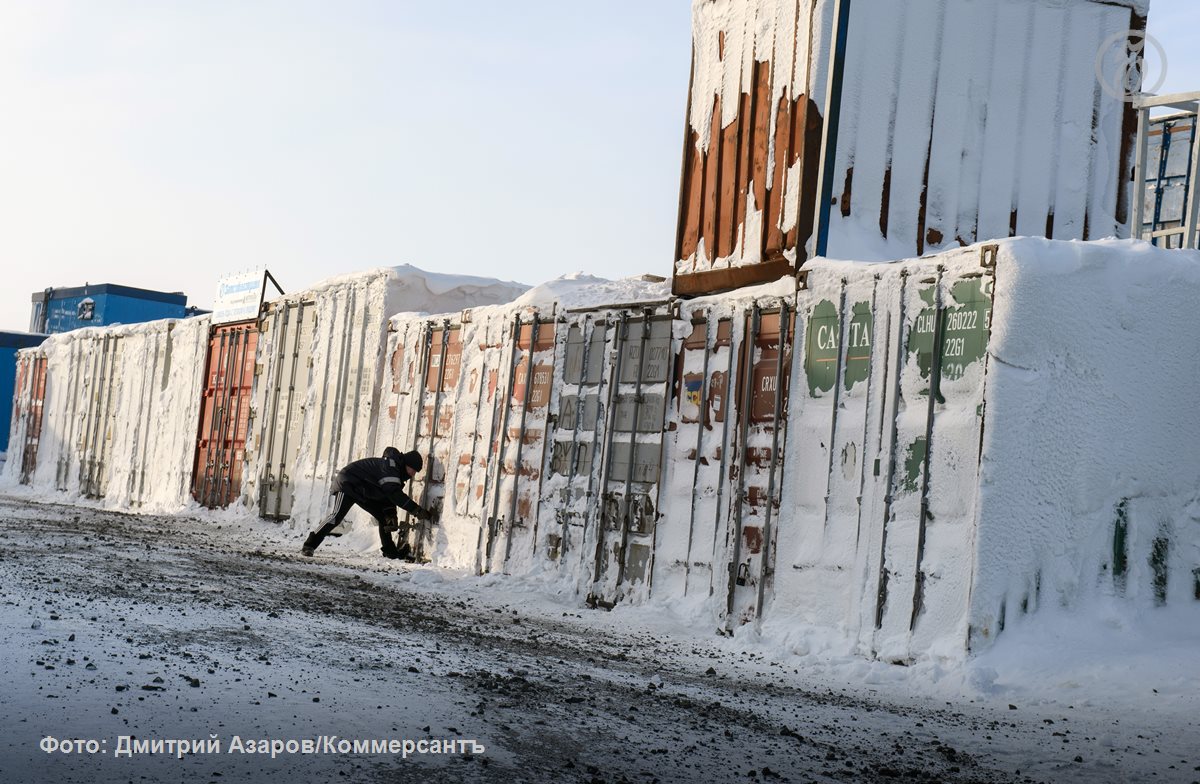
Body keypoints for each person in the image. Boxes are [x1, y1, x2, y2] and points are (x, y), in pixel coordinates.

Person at [301, 447, 435, 560]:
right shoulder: (390, 467)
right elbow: (394, 494)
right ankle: (309, 545)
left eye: (415, 472)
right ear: (406, 464)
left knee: (384, 518)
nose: (412, 474)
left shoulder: (396, 473)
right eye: (412, 469)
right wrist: (417, 511)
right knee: (336, 516)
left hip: (363, 490)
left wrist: (390, 514)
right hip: (348, 483)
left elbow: (388, 497)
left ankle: (390, 552)